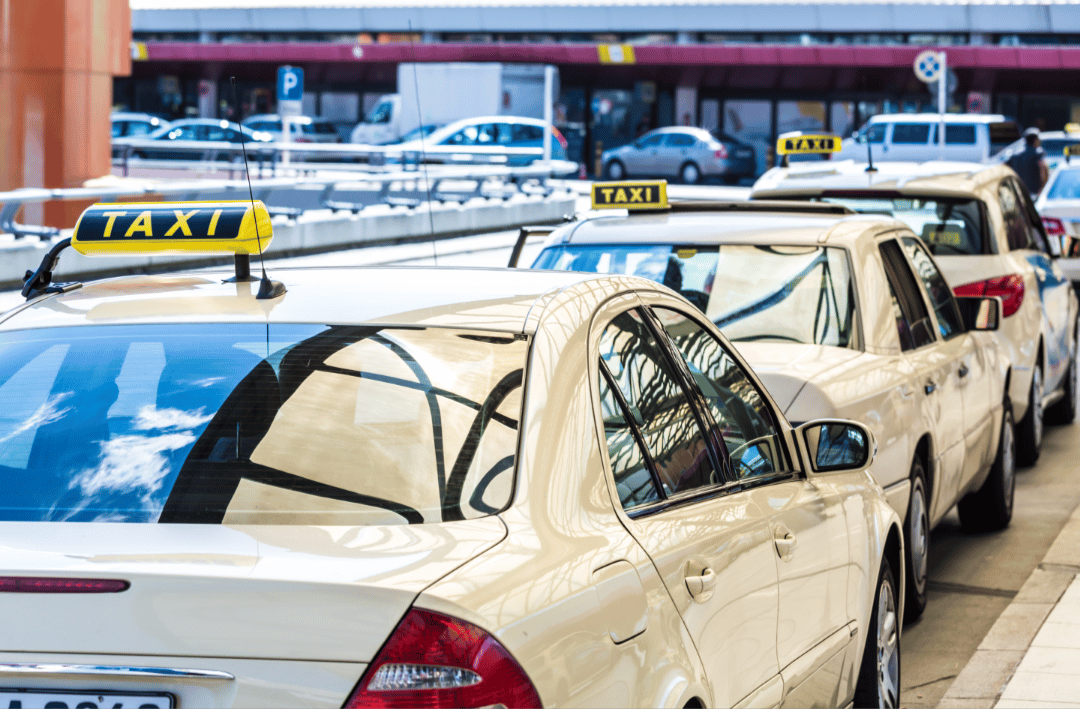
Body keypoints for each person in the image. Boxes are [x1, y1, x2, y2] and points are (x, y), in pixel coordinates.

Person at [1008, 127, 1049, 196]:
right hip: (1035, 192)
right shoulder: (1038, 153)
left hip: (1019, 192)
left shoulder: (1014, 154)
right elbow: (1043, 170)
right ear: (1035, 140)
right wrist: (1043, 187)